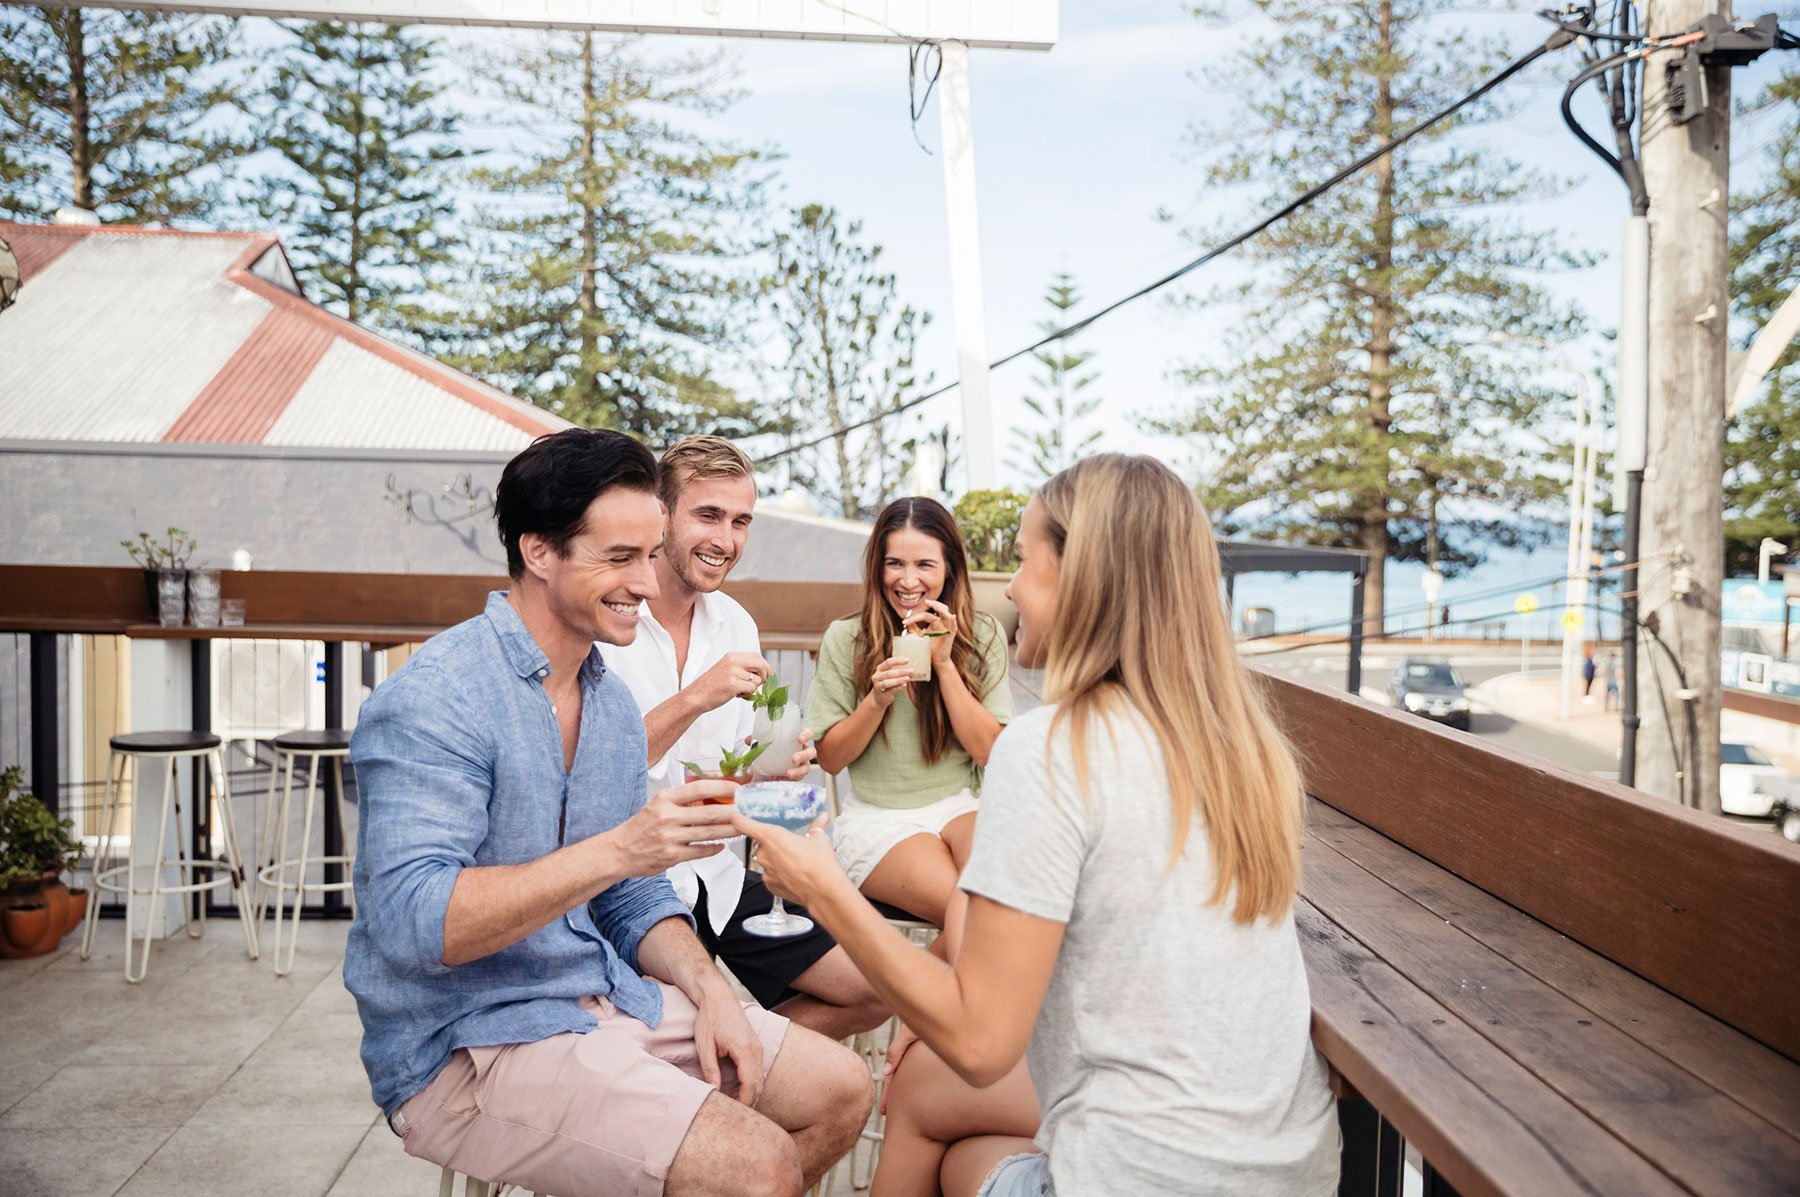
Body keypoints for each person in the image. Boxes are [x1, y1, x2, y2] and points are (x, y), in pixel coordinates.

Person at [741, 454, 1340, 1196]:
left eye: (1025, 560)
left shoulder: (1055, 746)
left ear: (1083, 577)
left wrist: (825, 890)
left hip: (1142, 1176)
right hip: (1289, 1165)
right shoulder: (1242, 745)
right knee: (928, 1089)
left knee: (946, 1118)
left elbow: (981, 1043)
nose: (1012, 587)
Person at [344, 428, 870, 1197]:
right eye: (620, 559)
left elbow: (630, 895)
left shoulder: (610, 703)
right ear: (539, 551)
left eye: (648, 555)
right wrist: (624, 848)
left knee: (843, 1090)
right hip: (468, 1040)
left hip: (602, 996)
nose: (649, 585)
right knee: (757, 1165)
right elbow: (415, 925)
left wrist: (712, 991)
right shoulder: (436, 698)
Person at [602, 435, 888, 1040]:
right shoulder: (610, 618)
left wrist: (770, 771)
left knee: (870, 988)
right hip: (631, 886)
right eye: (708, 515)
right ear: (661, 513)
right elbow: (595, 773)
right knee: (671, 1032)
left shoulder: (737, 623)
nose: (725, 540)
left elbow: (729, 771)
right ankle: (727, 1075)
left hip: (719, 875)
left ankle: (753, 1072)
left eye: (740, 521)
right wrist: (697, 696)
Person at [806, 497, 1012, 926]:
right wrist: (876, 700)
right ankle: (915, 995)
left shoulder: (982, 634)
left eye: (924, 565)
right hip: (880, 818)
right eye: (894, 563)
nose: (908, 580)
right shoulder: (847, 638)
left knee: (1003, 901)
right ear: (877, 568)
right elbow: (829, 758)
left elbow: (990, 751)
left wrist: (943, 663)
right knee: (970, 911)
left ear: (949, 569)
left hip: (962, 805)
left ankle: (895, 996)